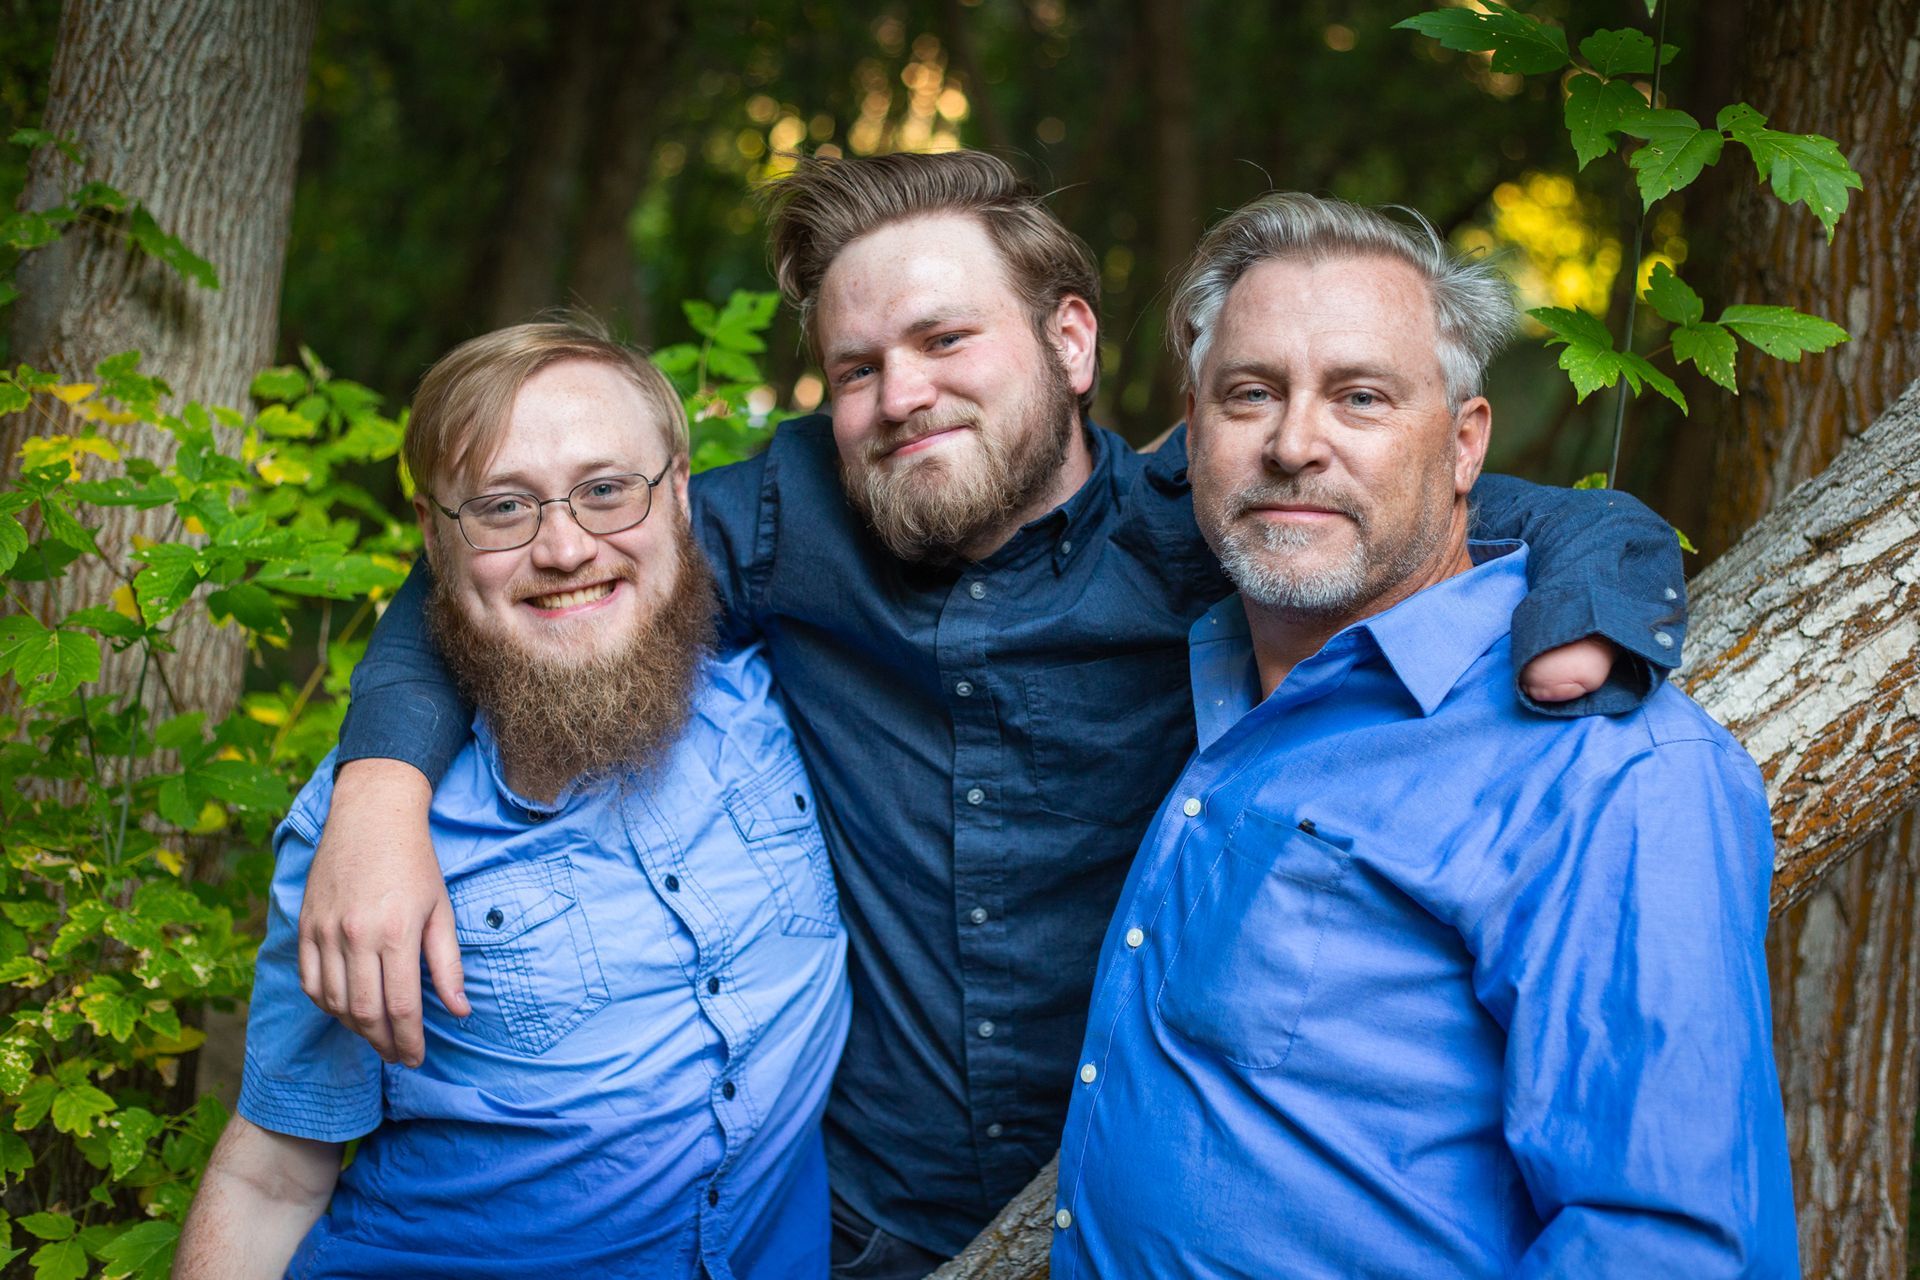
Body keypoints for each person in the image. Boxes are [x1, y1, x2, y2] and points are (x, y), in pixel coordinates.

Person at [296, 152, 1691, 1274]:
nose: (902, 397)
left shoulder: (1218, 528)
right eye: (856, 368)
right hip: (853, 1232)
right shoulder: (783, 519)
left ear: (1071, 340)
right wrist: (379, 792)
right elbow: (516, 572)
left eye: (945, 338)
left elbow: (1490, 509)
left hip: (1131, 1218)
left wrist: (1610, 568)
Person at [1048, 193, 1794, 1278]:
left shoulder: (1602, 765)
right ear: (1194, 431)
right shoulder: (1211, 675)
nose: (1295, 443)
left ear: (1463, 443)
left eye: (1361, 397)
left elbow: (1669, 1246)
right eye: (1250, 394)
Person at [175, 324, 849, 1279]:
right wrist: (371, 798)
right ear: (433, 539)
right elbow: (275, 1177)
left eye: (608, 489)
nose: (567, 546)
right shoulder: (365, 840)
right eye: (502, 508)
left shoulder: (780, 695)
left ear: (683, 496)